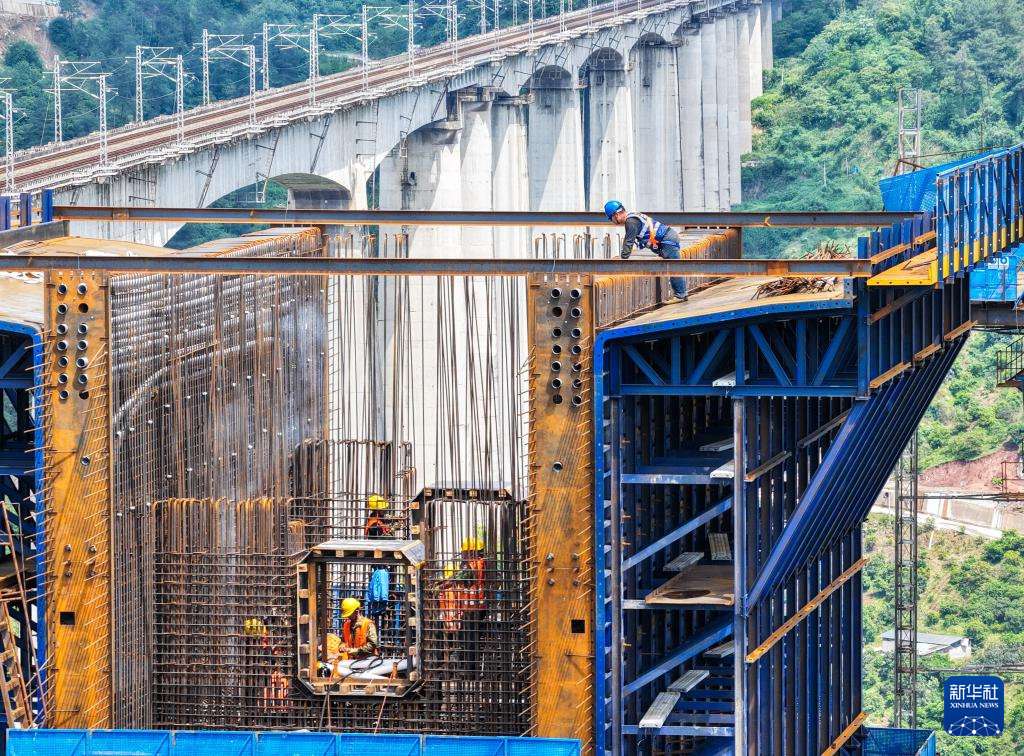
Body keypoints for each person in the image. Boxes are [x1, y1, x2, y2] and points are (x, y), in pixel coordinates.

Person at [604, 200, 688, 304]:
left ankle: (680, 295)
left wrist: (621, 263)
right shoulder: (633, 217)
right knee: (674, 266)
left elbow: (628, 242)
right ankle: (682, 293)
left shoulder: (631, 222)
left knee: (674, 267)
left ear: (616, 215)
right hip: (666, 238)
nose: (612, 221)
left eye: (611, 218)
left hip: (667, 239)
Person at [452, 537, 488, 671]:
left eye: (464, 552)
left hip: (472, 610)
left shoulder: (473, 565)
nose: (462, 555)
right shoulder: (482, 563)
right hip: (477, 608)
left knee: (469, 640)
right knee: (470, 638)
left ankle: (470, 669)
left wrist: (442, 583)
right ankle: (470, 667)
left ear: (471, 552)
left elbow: (459, 577)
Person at [339, 597, 380, 661]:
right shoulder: (346, 625)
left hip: (367, 661)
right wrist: (342, 645)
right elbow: (343, 640)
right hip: (352, 661)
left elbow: (372, 645)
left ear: (356, 611)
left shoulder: (368, 624)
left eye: (349, 614)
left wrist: (357, 651)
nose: (348, 616)